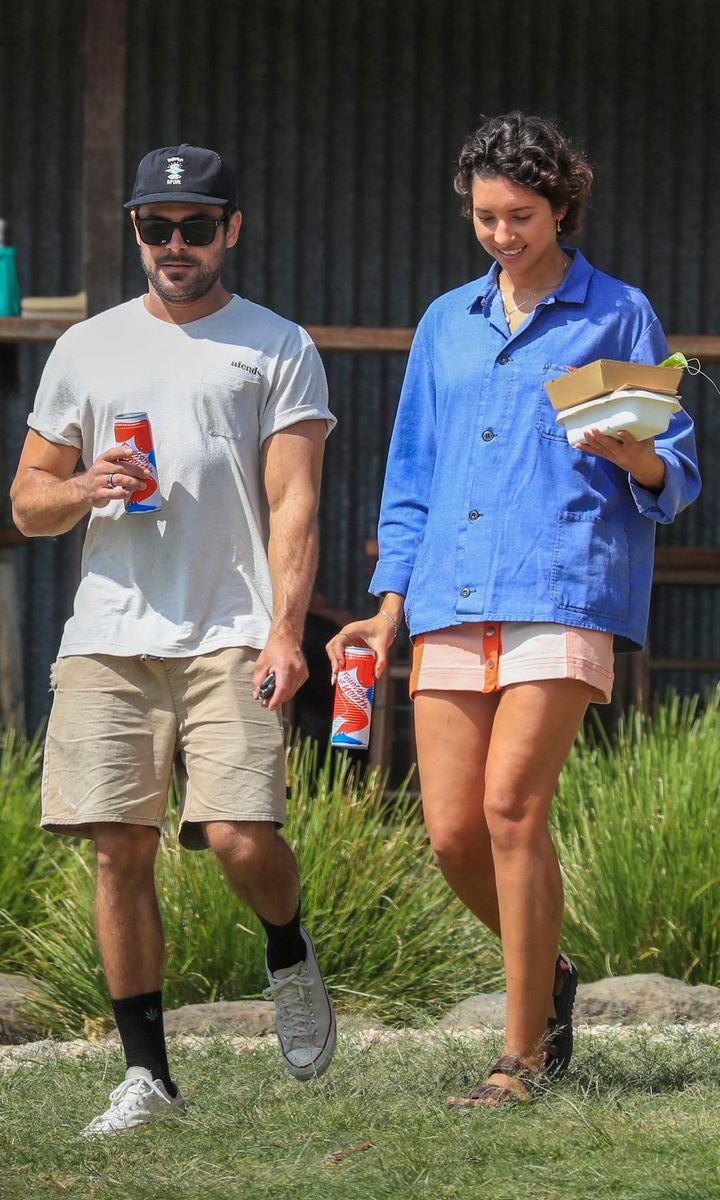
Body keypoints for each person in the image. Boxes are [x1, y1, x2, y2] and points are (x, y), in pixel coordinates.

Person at [327, 112, 700, 1106]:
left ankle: (521, 1054)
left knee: (510, 809)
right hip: (449, 590)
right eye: (486, 217)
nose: (502, 234)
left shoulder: (617, 314)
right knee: (450, 832)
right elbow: (412, 477)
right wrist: (385, 610)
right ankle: (554, 977)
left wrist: (632, 452)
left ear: (562, 208)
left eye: (521, 216)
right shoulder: (447, 322)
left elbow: (678, 473)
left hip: (564, 581)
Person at [11, 144, 337, 1135]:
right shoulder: (88, 349)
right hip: (109, 633)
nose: (176, 244)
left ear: (230, 230)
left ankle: (286, 945)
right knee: (118, 849)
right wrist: (82, 487)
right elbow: (28, 504)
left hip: (232, 633)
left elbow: (295, 502)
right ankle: (146, 1078)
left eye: (197, 226)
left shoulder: (276, 345)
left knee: (242, 838)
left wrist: (287, 632)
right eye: (158, 227)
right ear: (136, 231)